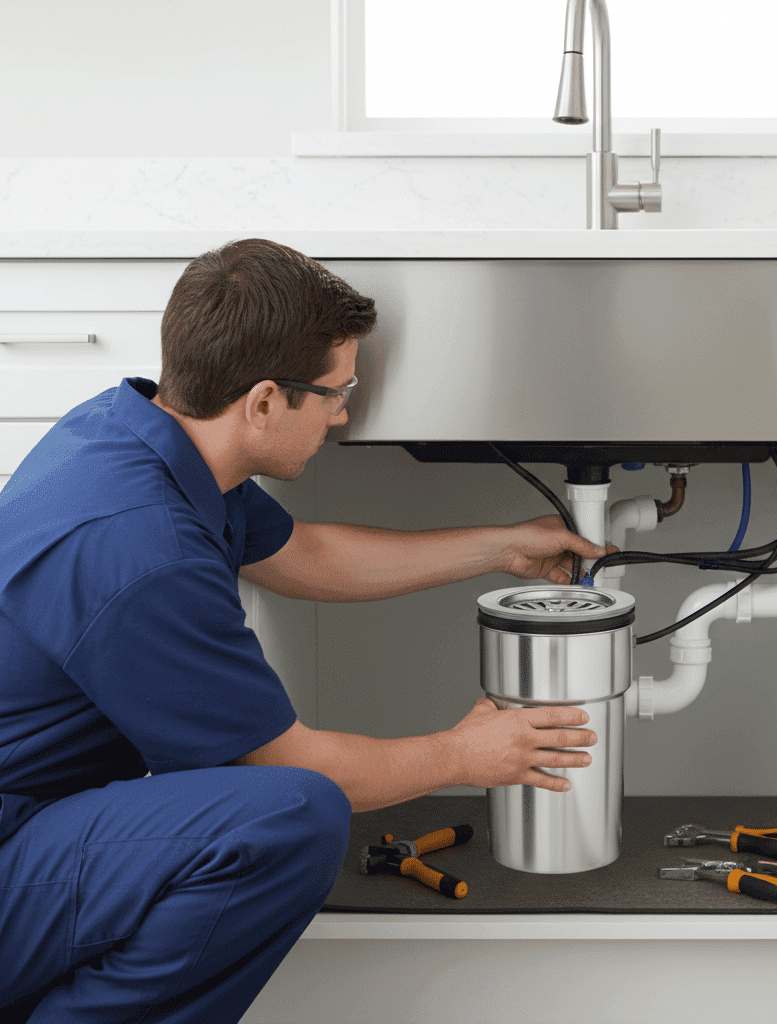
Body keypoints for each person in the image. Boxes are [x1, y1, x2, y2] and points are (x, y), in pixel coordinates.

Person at [0, 238, 608, 1022]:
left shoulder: (134, 438)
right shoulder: (143, 549)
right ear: (262, 401)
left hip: (35, 815)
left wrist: (500, 547)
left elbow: (303, 553)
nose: (344, 413)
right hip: (13, 845)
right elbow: (293, 765)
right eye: (334, 392)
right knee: (291, 816)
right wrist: (466, 755)